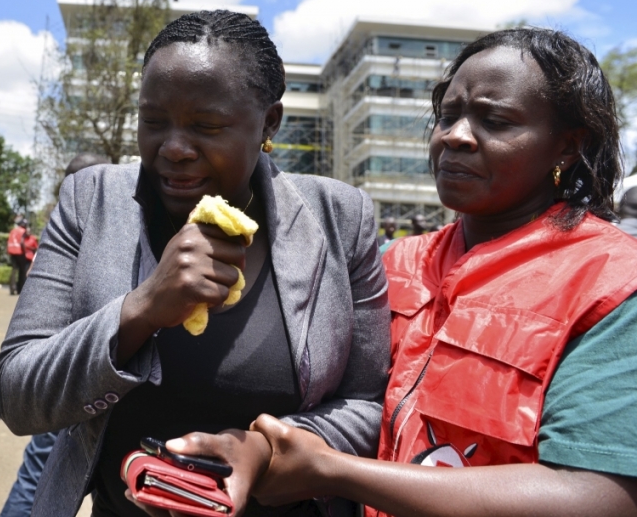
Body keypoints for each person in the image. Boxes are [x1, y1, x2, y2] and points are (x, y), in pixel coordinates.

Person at [168, 28, 637, 516]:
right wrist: (260, 449)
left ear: (566, 147)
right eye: (448, 116)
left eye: (495, 121)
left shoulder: (612, 283)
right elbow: (351, 405)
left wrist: (333, 470)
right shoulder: (393, 262)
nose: (455, 136)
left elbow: (600, 496)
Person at [0, 10, 390, 517]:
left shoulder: (339, 219)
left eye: (207, 125)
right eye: (153, 122)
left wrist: (269, 450)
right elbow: (17, 394)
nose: (174, 148)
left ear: (270, 123)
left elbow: (370, 405)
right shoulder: (90, 201)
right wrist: (140, 310)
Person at [0, 152, 110, 517]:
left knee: (40, 472)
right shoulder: (103, 227)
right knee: (44, 470)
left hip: (68, 371)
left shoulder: (61, 225)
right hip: (75, 372)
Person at [7, 219, 28, 295]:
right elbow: (22, 242)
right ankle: (20, 289)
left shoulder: (13, 230)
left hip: (11, 250)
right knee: (22, 271)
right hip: (19, 251)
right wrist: (25, 251)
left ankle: (11, 289)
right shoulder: (23, 231)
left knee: (14, 270)